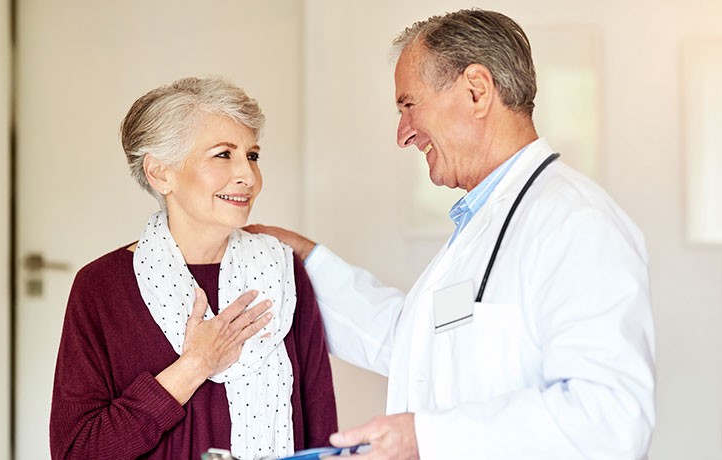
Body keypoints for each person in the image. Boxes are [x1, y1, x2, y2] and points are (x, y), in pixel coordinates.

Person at [247, 8, 655, 459]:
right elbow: (420, 344)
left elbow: (609, 419)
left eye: (408, 105)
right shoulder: (488, 221)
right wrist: (308, 263)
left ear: (477, 92)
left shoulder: (576, 222)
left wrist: (427, 439)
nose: (403, 135)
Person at [49, 76, 338, 460]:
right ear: (160, 173)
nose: (248, 177)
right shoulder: (102, 287)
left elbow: (321, 434)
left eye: (252, 155)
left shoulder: (284, 272)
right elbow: (78, 451)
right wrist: (196, 364)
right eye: (223, 154)